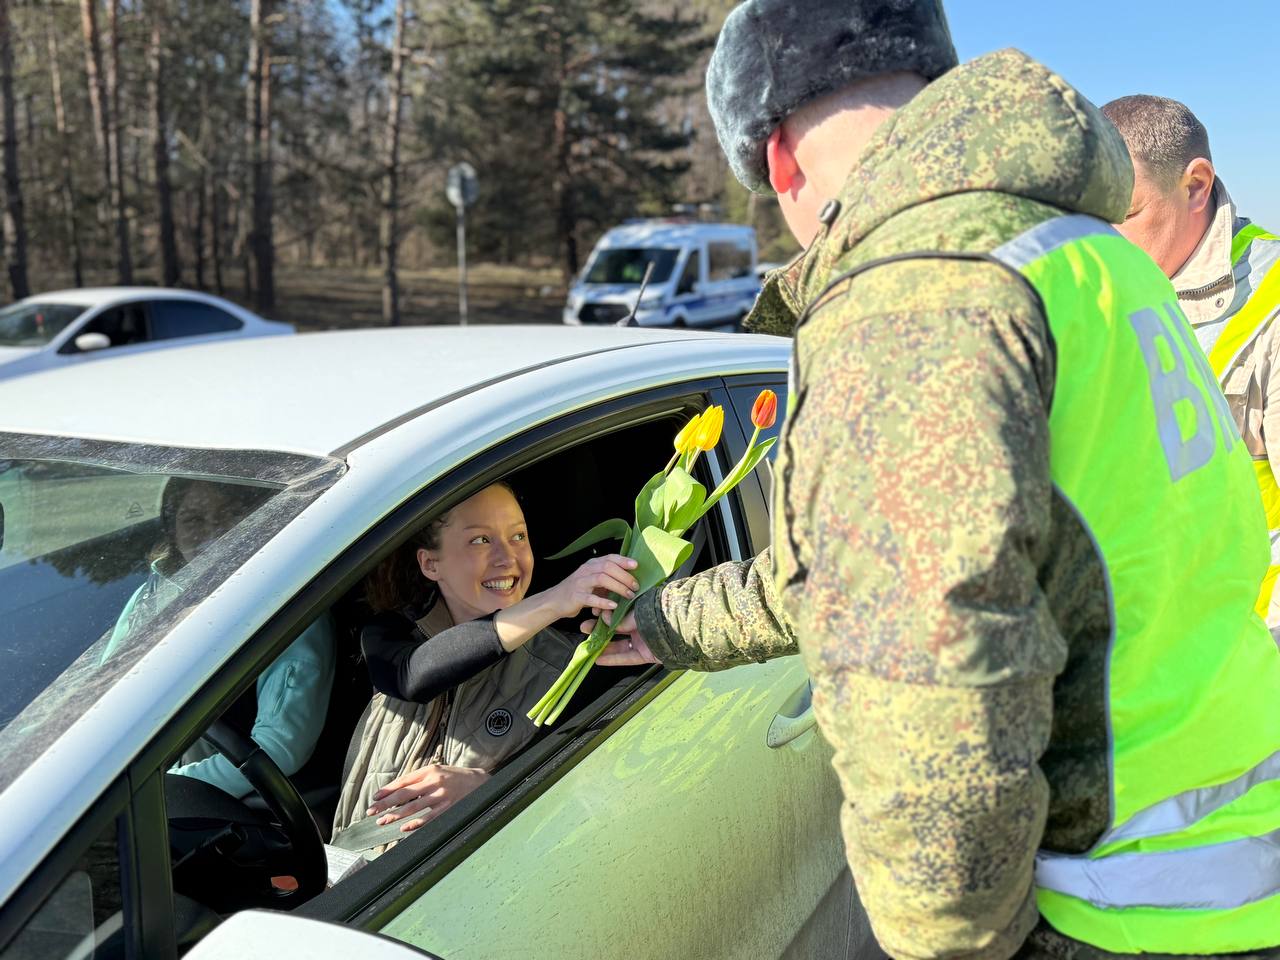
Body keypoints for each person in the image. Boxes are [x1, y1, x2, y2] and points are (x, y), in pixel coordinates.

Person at [591, 2, 1280, 956]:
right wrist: (666, 621)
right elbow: (884, 566)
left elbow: (934, 699)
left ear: (781, 158)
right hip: (1228, 846)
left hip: (1120, 906)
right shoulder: (1089, 257)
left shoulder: (921, 296)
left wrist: (952, 939)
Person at [330, 481, 638, 853]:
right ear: (431, 563)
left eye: (518, 536)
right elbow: (412, 677)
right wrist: (557, 597)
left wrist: (488, 790)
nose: (507, 558)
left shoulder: (569, 667)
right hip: (351, 869)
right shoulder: (392, 634)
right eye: (480, 540)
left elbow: (587, 799)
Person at [1102, 94, 1280, 628]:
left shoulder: (1271, 306)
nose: (1103, 244)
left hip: (1246, 666)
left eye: (1126, 215)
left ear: (1195, 185)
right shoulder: (1105, 291)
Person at [107, 477, 337, 800]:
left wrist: (164, 786)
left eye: (230, 515)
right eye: (193, 519)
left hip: (229, 810)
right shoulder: (152, 595)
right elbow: (106, 692)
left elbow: (281, 747)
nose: (215, 532)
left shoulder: (289, 608)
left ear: (258, 522)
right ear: (172, 531)